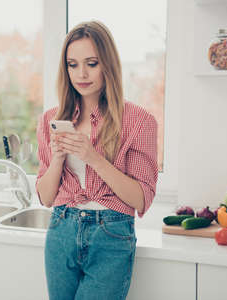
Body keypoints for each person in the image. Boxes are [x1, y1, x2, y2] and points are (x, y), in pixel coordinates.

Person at [35, 20, 158, 300]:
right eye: (72, 64)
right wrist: (57, 159)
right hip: (61, 230)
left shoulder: (139, 121)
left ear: (108, 65)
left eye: (92, 63)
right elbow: (45, 197)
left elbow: (141, 198)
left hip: (111, 235)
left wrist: (93, 158)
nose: (81, 73)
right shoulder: (51, 120)